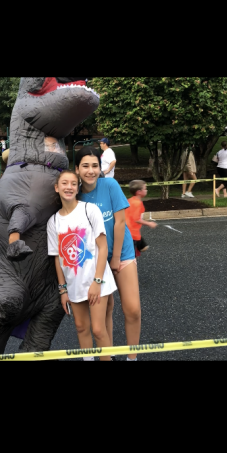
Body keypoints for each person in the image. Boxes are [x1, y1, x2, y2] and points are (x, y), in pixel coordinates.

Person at [76, 147, 141, 362]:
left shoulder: (110, 185)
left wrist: (115, 259)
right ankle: (109, 354)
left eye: (95, 165)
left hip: (121, 254)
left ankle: (132, 357)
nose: (91, 170)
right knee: (106, 310)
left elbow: (120, 222)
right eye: (85, 166)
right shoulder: (75, 196)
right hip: (95, 261)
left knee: (132, 309)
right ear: (77, 169)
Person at [48, 168, 117, 362]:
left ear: (78, 188)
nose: (69, 187)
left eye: (73, 183)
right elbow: (57, 257)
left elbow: (103, 248)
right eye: (64, 183)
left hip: (97, 278)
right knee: (81, 327)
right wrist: (62, 290)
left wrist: (97, 281)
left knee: (98, 329)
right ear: (56, 188)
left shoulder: (89, 210)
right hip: (74, 283)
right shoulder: (53, 222)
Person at [126, 180, 158, 255]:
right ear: (139, 192)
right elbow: (136, 219)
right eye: (145, 188)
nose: (146, 190)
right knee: (130, 257)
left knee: (144, 247)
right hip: (132, 234)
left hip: (128, 231)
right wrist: (149, 223)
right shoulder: (138, 203)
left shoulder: (129, 200)